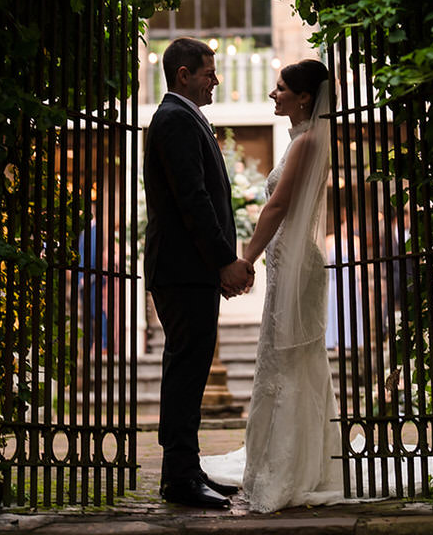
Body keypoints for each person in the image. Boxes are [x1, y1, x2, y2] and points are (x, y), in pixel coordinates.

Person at [202, 59, 345, 512]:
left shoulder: (305, 144)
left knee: (290, 362)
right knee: (289, 361)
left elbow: (278, 206)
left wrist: (245, 259)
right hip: (291, 264)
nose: (272, 93)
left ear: (304, 97)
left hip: (296, 265)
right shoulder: (302, 141)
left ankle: (292, 468)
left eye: (281, 87)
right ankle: (292, 459)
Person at [144, 36, 256, 510]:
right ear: (184, 74)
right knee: (187, 369)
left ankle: (185, 470)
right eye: (209, 72)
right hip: (183, 268)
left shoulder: (185, 118)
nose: (216, 80)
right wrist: (223, 261)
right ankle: (180, 477)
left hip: (189, 269)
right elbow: (193, 200)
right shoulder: (173, 119)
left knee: (189, 367)